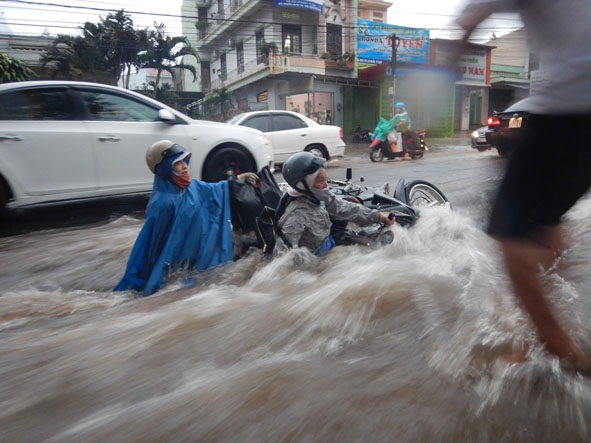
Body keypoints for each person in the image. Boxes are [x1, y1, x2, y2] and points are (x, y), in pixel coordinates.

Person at [457, 0, 591, 373]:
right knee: (547, 220)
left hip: (568, 115)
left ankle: (555, 347)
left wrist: (450, 60)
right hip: (574, 119)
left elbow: (472, 17)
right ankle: (555, 312)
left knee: (509, 233)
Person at [114, 140, 257, 296]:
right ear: (164, 168)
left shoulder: (190, 186)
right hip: (177, 265)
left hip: (196, 256)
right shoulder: (162, 203)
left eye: (184, 161)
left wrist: (237, 179)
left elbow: (213, 190)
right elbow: (153, 243)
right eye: (178, 163)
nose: (184, 166)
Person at [275, 152, 394, 255]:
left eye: (326, 179)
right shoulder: (295, 218)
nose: (326, 185)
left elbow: (343, 207)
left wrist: (377, 216)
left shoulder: (317, 196)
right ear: (303, 185)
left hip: (330, 240)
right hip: (321, 259)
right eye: (321, 180)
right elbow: (285, 258)